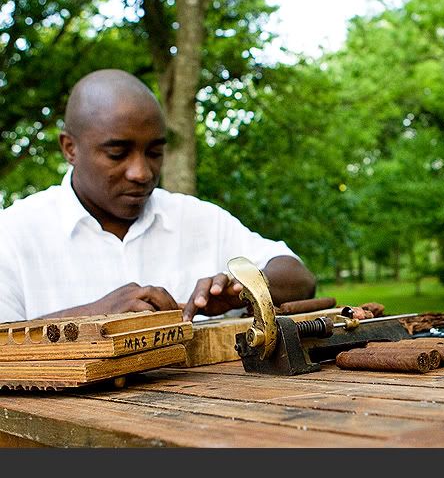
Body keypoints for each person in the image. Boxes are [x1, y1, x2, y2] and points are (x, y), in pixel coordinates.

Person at [0, 69, 316, 323]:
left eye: (154, 152)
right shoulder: (13, 235)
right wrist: (92, 318)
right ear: (70, 148)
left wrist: (245, 289)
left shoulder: (199, 219)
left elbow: (298, 276)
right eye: (117, 153)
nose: (142, 172)